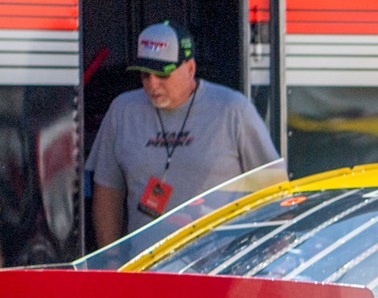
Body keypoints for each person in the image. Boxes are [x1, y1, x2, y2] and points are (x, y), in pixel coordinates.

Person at [86, 22, 280, 246]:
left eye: (163, 75)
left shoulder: (232, 109)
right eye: (145, 75)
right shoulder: (123, 110)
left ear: (190, 69)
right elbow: (108, 191)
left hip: (219, 264)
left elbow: (272, 186)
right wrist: (111, 259)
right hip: (149, 267)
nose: (152, 84)